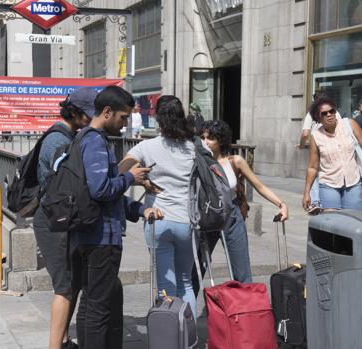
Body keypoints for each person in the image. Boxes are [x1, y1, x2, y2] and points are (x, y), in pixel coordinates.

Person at [70, 85, 162, 349]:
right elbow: (101, 189)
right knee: (98, 307)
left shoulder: (84, 139)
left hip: (88, 233)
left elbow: (105, 193)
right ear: (107, 112)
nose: (125, 124)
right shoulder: (95, 142)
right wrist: (130, 177)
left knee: (90, 302)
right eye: (123, 117)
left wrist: (138, 209)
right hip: (101, 238)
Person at [192, 120, 289, 294]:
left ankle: (246, 310)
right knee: (197, 267)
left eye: (211, 138)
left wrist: (281, 204)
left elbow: (259, 186)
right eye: (203, 137)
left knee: (242, 269)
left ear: (220, 140)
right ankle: (187, 310)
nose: (205, 142)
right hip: (207, 217)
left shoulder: (234, 161)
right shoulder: (197, 162)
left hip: (231, 215)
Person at [122, 95, 198, 315]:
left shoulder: (146, 147)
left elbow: (120, 170)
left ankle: (168, 338)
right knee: (186, 283)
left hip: (158, 220)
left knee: (166, 286)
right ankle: (188, 338)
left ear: (157, 117)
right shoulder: (193, 147)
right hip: (187, 221)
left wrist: (143, 180)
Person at [34, 88, 96, 349]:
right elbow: (71, 183)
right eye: (88, 115)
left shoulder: (64, 136)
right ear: (75, 113)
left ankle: (61, 339)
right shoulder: (59, 141)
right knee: (65, 286)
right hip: (53, 221)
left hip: (57, 218)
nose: (91, 121)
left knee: (73, 283)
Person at [302, 97, 362, 212]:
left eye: (332, 111)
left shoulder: (350, 124)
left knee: (352, 220)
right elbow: (312, 167)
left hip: (353, 183)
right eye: (324, 113)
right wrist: (307, 192)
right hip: (328, 184)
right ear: (318, 118)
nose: (329, 115)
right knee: (332, 222)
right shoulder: (316, 137)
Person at [297, 92, 342, 214]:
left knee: (316, 172)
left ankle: (316, 201)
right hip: (334, 148)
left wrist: (301, 145)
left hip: (318, 146)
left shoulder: (311, 114)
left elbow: (305, 133)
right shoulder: (334, 111)